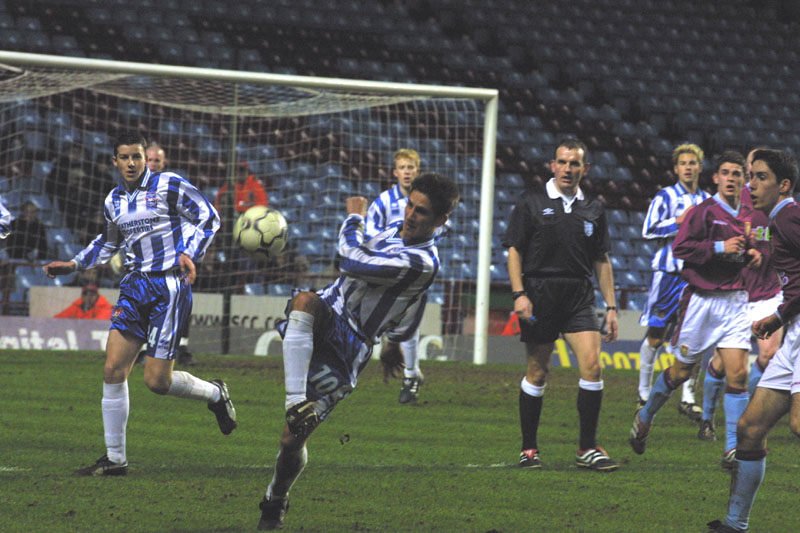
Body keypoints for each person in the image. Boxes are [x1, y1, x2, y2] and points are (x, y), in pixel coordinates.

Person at [256, 173, 459, 530]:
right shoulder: (396, 228)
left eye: (422, 211)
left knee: (291, 440)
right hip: (329, 312)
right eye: (410, 204)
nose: (410, 214)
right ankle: (293, 402)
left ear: (441, 220)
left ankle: (277, 496)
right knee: (305, 300)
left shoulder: (421, 263)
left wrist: (354, 218)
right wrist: (395, 339)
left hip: (348, 348)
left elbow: (351, 261)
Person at [43, 131, 236, 476]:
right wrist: (74, 264)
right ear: (114, 161)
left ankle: (215, 394)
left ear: (146, 159)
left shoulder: (168, 185)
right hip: (133, 286)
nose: (131, 163)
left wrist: (189, 253)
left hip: (169, 285)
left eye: (137, 157)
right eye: (125, 158)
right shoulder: (114, 200)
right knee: (113, 370)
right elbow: (108, 242)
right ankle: (115, 459)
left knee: (157, 383)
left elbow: (208, 217)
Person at [629, 151, 769, 469]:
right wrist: (719, 247)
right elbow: (681, 248)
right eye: (725, 173)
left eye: (737, 173)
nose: (731, 178)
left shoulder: (752, 213)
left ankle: (732, 448)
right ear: (716, 178)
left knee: (738, 374)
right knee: (680, 373)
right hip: (702, 301)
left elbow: (758, 243)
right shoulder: (702, 211)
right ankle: (645, 415)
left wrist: (754, 253)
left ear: (742, 179)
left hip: (734, 300)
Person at [503, 138, 620, 472]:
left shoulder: (594, 208)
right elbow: (515, 250)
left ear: (585, 168)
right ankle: (528, 449)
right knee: (538, 371)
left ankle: (587, 448)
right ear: (552, 165)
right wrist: (519, 294)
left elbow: (601, 259)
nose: (568, 169)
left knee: (593, 367)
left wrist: (611, 307)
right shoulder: (531, 201)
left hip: (579, 295)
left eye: (575, 163)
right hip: (539, 292)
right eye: (563, 162)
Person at [706, 148, 800, 533]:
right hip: (794, 335)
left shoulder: (790, 217)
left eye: (760, 177)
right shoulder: (777, 221)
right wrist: (781, 318)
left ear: (783, 185)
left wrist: (779, 314)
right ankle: (734, 524)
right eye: (750, 176)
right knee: (749, 429)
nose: (750, 184)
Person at [698, 148, 783, 443]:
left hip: (770, 292)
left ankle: (748, 416)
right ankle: (707, 417)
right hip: (737, 294)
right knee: (721, 365)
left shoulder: (781, 203)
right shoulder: (734, 201)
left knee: (770, 355)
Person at [637, 144, 711, 419]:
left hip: (696, 276)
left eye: (693, 162)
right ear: (676, 168)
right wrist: (678, 222)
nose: (689, 167)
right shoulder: (665, 197)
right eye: (684, 163)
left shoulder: (707, 200)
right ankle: (643, 393)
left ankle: (688, 398)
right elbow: (648, 229)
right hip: (667, 276)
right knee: (656, 337)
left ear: (700, 167)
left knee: (695, 339)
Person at [365, 148, 434, 403]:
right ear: (395, 172)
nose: (407, 172)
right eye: (403, 168)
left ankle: (410, 377)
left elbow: (440, 228)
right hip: (388, 271)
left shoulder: (426, 202)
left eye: (411, 168)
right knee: (388, 322)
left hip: (415, 271)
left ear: (417, 171)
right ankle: (411, 371)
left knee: (408, 319)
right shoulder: (383, 201)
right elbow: (370, 231)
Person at [144, 143, 194, 366]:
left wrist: (186, 249)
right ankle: (146, 347)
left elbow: (191, 216)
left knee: (180, 298)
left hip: (174, 254)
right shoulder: (131, 190)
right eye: (149, 160)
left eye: (157, 161)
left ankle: (180, 346)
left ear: (164, 163)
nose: (153, 164)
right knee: (145, 301)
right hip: (145, 256)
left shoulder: (173, 187)